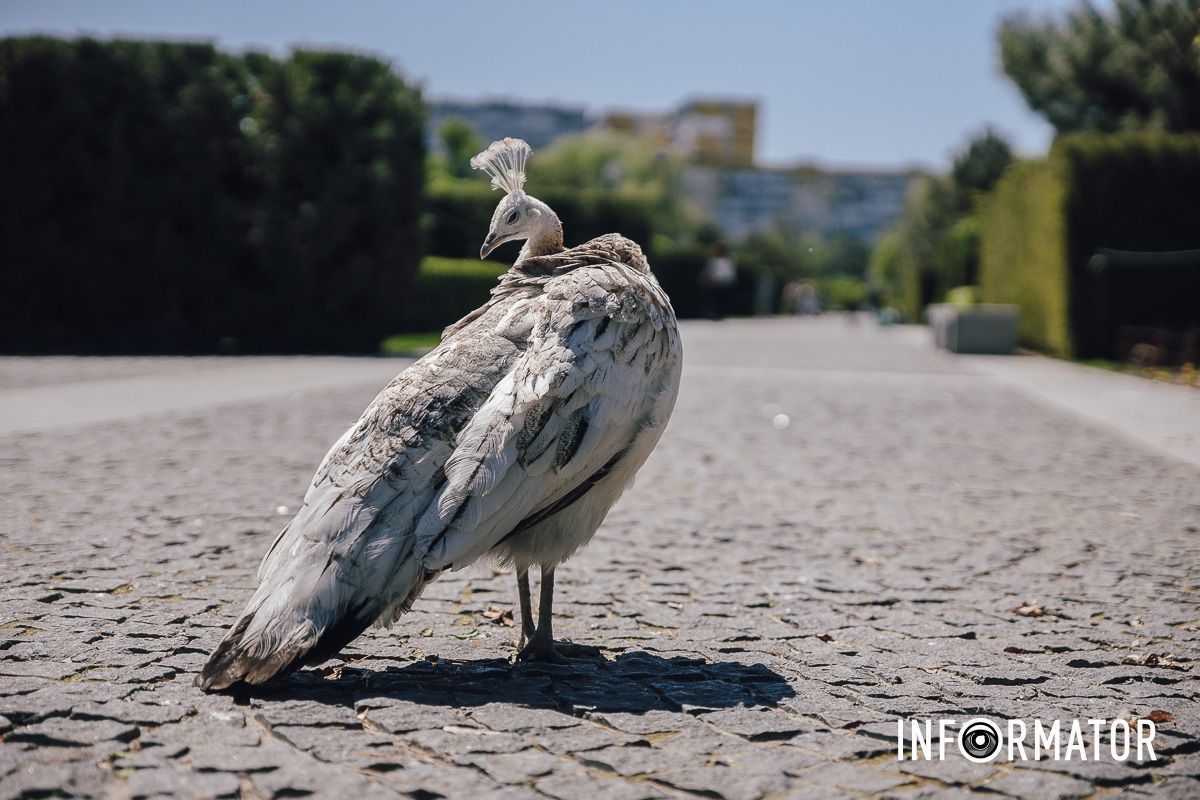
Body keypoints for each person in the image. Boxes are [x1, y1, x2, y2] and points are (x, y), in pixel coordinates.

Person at [700, 241, 737, 319]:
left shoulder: (727, 260)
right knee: (715, 300)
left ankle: (719, 313)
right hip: (716, 283)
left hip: (722, 283)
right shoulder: (714, 260)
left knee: (720, 300)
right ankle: (715, 313)